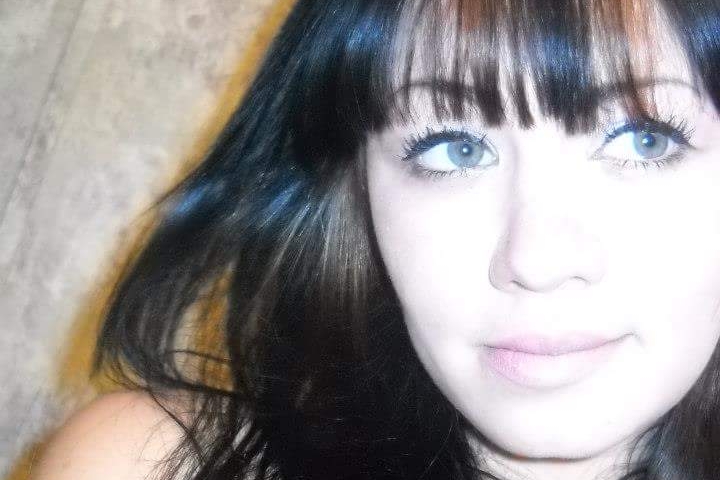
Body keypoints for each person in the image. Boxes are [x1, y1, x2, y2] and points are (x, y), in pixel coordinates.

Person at [28, 0, 720, 479]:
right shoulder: (148, 464)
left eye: (644, 140)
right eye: (454, 148)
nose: (535, 260)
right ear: (358, 193)